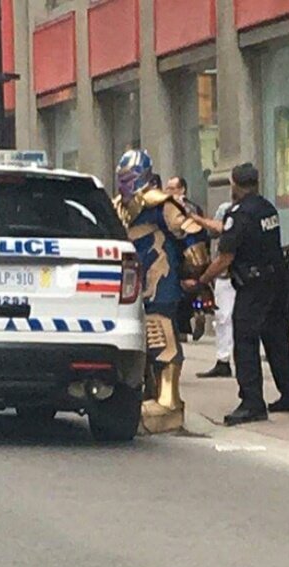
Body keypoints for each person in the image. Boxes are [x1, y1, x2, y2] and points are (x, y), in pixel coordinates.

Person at [191, 163, 289, 425]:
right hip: (276, 280)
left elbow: (225, 257)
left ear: (234, 184)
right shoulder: (267, 208)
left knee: (245, 341)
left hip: (254, 285)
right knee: (277, 339)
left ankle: (252, 403)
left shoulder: (239, 213)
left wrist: (202, 280)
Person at [114, 149, 210, 434]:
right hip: (129, 280)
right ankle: (147, 393)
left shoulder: (161, 204)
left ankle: (169, 400)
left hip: (160, 277)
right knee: (137, 338)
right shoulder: (118, 205)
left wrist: (194, 267)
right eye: (122, 178)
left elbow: (190, 231)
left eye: (129, 178)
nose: (125, 184)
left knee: (160, 335)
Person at [192, 201, 236, 379]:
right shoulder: (225, 209)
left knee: (232, 318)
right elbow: (213, 232)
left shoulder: (239, 213)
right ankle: (223, 359)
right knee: (223, 318)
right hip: (224, 275)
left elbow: (218, 229)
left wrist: (196, 219)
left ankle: (234, 359)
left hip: (236, 273)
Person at [166, 175, 206, 341]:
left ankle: (183, 325)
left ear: (182, 189)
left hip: (183, 254)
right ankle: (197, 311)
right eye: (167, 188)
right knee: (192, 289)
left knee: (179, 288)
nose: (169, 192)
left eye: (172, 188)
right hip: (193, 254)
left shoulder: (182, 209)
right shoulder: (193, 208)